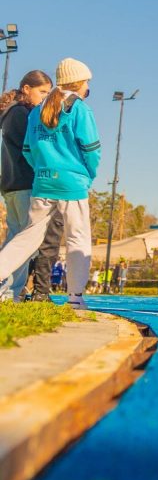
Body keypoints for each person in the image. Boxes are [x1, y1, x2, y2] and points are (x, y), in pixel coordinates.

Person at [0, 59, 100, 309]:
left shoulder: (37, 110)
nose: (88, 86)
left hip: (43, 185)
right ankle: (75, 298)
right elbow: (91, 148)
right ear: (78, 82)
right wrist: (88, 174)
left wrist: (43, 170)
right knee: (78, 239)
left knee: (26, 239)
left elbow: (28, 149)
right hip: (72, 184)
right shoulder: (79, 109)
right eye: (86, 81)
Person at [0, 70, 55, 302]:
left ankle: (9, 292)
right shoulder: (22, 114)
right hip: (23, 183)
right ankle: (9, 293)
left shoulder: (12, 113)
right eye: (41, 92)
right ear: (26, 89)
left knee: (16, 237)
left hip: (11, 184)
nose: (45, 97)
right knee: (25, 242)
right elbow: (31, 148)